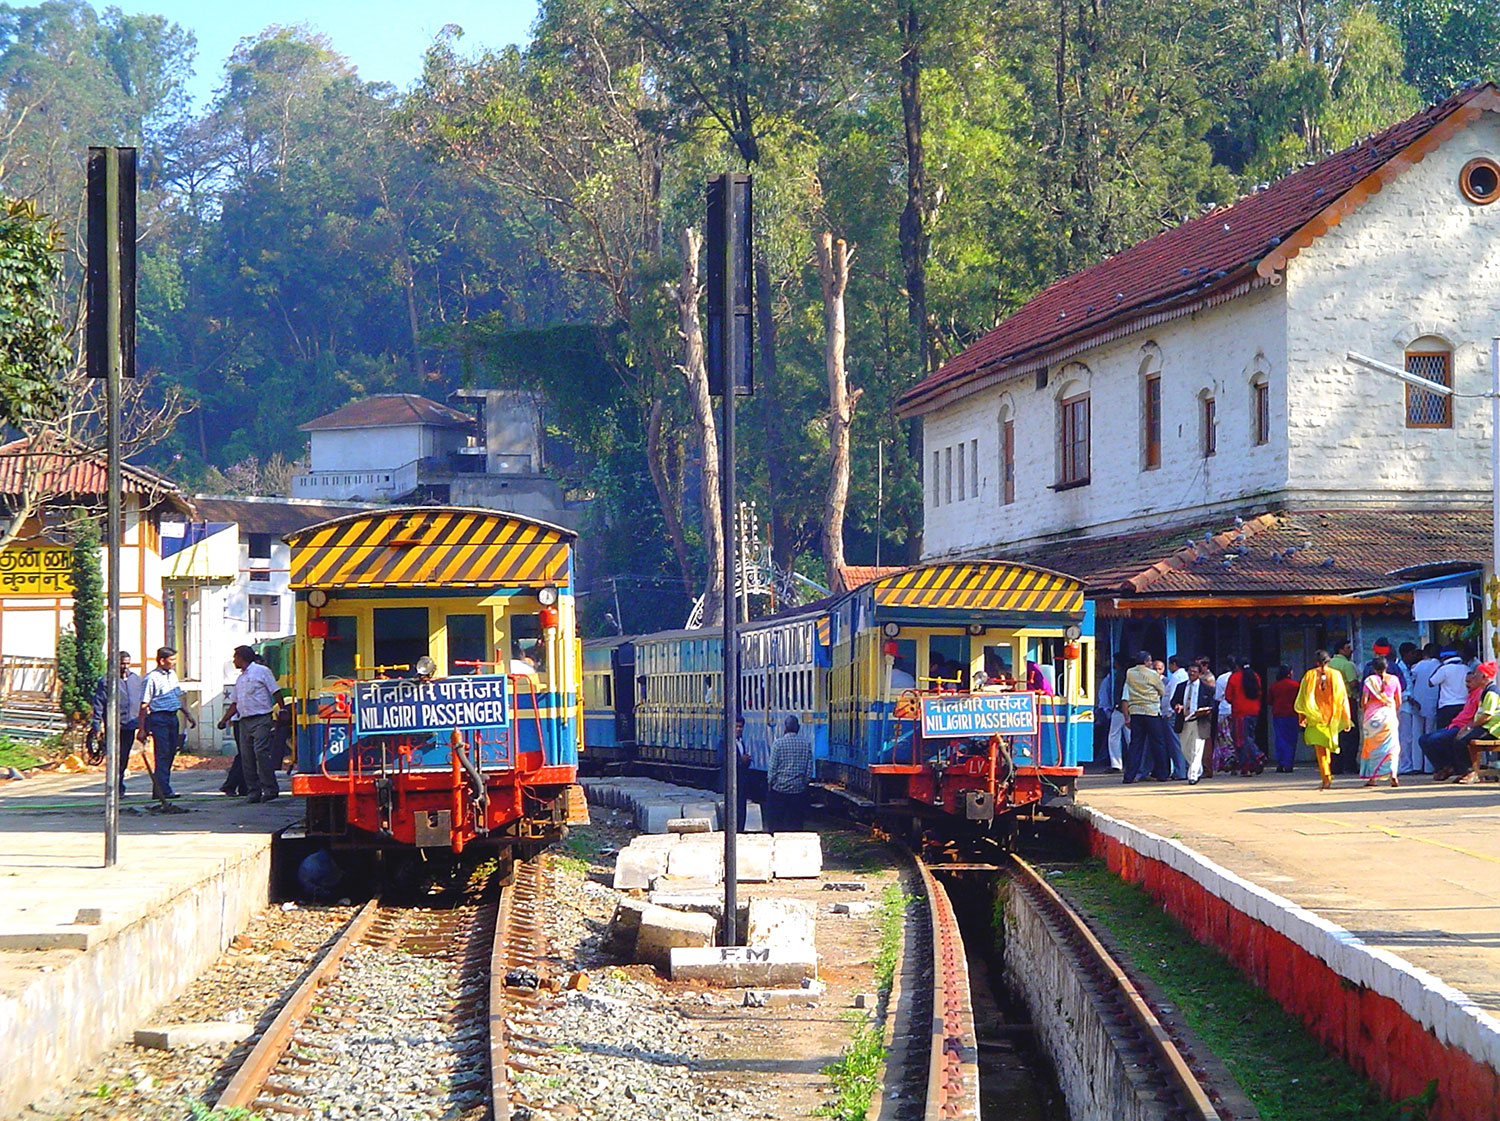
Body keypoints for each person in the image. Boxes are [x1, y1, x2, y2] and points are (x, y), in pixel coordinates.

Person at [217, 645, 280, 802]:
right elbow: (234, 702)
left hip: (261, 718)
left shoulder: (262, 672)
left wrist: (283, 710)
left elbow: (275, 691)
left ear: (242, 657)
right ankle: (254, 791)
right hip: (244, 721)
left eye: (235, 657)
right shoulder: (240, 679)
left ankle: (270, 789)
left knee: (261, 753)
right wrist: (224, 720)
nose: (234, 661)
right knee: (247, 757)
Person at [1418, 664, 1499, 782]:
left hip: (1491, 729)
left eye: (1476, 675)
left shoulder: (1491, 692)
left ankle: (1469, 772)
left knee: (1460, 740)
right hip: (1484, 726)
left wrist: (1470, 726)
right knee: (1449, 739)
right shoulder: (1484, 692)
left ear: (1484, 676)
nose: (1474, 677)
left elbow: (1487, 716)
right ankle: (1455, 769)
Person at [136, 646, 196, 799]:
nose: (174, 663)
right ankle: (163, 790)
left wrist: (187, 714)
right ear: (162, 660)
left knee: (170, 752)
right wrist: (141, 728)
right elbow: (144, 704)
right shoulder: (151, 678)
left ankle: (161, 787)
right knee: (162, 753)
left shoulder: (172, 675)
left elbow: (176, 697)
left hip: (172, 717)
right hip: (159, 719)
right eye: (171, 660)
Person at [1295, 650, 1352, 790]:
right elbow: (1343, 698)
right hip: (1332, 717)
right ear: (1329, 661)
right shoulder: (1336, 675)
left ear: (1316, 662)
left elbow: (1303, 698)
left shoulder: (1309, 675)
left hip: (1316, 718)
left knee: (1321, 751)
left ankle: (1326, 776)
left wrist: (1302, 716)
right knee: (1328, 747)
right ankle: (1327, 775)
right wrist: (1346, 718)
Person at [90, 652, 143, 796]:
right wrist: (97, 726)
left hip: (130, 725)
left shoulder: (136, 680)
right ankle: (114, 786)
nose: (125, 667)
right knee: (114, 756)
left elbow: (141, 702)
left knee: (124, 756)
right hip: (114, 726)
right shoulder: (107, 681)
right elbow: (99, 704)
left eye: (127, 663)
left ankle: (119, 784)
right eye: (122, 663)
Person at [1123, 650, 1168, 783]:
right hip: (1151, 711)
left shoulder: (1129, 672)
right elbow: (1162, 690)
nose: (1151, 663)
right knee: (1158, 743)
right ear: (1146, 661)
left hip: (1136, 711)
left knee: (1136, 744)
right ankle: (1162, 774)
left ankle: (1129, 775)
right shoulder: (1152, 674)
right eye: (1150, 661)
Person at [1359, 655, 1402, 787]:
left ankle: (1372, 778)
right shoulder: (1394, 679)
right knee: (1392, 746)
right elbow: (1398, 701)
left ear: (1373, 668)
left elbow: (1364, 702)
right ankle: (1393, 774)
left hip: (1372, 719)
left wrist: (1368, 710)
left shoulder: (1369, 681)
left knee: (1371, 748)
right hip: (1388, 717)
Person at [765, 714, 814, 832]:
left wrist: (771, 783)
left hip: (779, 790)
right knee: (795, 823)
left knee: (777, 824)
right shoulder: (805, 744)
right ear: (798, 728)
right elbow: (809, 769)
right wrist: (804, 783)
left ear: (785, 728)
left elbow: (772, 768)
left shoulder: (778, 744)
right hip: (798, 790)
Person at [1172, 661, 1216, 784]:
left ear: (1200, 674)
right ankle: (1198, 768)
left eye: (1194, 672)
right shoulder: (1181, 687)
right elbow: (1173, 701)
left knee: (1197, 748)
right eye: (1190, 671)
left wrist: (1206, 710)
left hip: (1200, 721)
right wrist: (1177, 706)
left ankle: (1192, 776)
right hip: (1185, 721)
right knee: (1185, 748)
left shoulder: (1207, 689)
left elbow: (1213, 704)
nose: (1192, 674)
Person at [1327, 640, 1360, 773]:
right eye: (1348, 648)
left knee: (1335, 734)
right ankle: (1349, 766)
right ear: (1341, 650)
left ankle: (1335, 766)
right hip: (1346, 701)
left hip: (1330, 703)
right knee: (1351, 735)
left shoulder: (1329, 664)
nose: (1351, 650)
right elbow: (1353, 684)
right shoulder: (1347, 665)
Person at [1225, 662, 1264, 774]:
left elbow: (1228, 697)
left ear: (1237, 666)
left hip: (1240, 712)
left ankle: (1256, 756)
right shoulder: (1255, 676)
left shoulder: (1234, 677)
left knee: (1242, 740)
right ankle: (1249, 765)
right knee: (1250, 736)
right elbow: (1259, 692)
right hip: (1254, 710)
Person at [1398, 643, 1431, 773]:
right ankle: (1405, 766)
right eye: (1412, 653)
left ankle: (1408, 764)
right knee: (1404, 737)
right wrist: (1411, 699)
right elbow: (1401, 689)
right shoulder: (1399, 668)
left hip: (1409, 706)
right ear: (1406, 654)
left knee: (1409, 737)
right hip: (1404, 706)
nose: (1414, 656)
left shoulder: (1409, 668)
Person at [1096, 655, 1128, 773]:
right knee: (1130, 736)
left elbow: (1114, 694)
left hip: (1120, 709)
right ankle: (1135, 763)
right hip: (1129, 709)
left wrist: (1113, 707)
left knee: (1114, 736)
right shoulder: (1123, 675)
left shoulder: (1117, 676)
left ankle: (1116, 764)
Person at [1268, 665, 1302, 772]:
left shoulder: (1274, 686)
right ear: (1289, 673)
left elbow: (1269, 701)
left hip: (1278, 715)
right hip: (1292, 714)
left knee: (1280, 739)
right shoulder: (1295, 685)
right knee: (1291, 740)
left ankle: (1280, 763)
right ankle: (1288, 763)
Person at [1161, 655, 1190, 780]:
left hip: (1173, 714)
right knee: (1183, 742)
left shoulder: (1176, 677)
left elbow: (1172, 697)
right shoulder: (1185, 676)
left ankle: (1180, 771)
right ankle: (1186, 769)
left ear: (1174, 664)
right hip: (1182, 713)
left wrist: (1168, 712)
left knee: (1175, 744)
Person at [1429, 648, 1470, 730]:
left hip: (1446, 706)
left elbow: (1431, 682)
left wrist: (1439, 667)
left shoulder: (1444, 669)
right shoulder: (1467, 668)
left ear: (1445, 657)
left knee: (1444, 733)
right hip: (1464, 705)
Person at [1212, 658, 1236, 774]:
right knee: (1236, 736)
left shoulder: (1221, 679)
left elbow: (1217, 697)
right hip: (1236, 709)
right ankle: (1237, 759)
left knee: (1223, 738)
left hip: (1224, 709)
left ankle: (1227, 760)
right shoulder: (1238, 677)